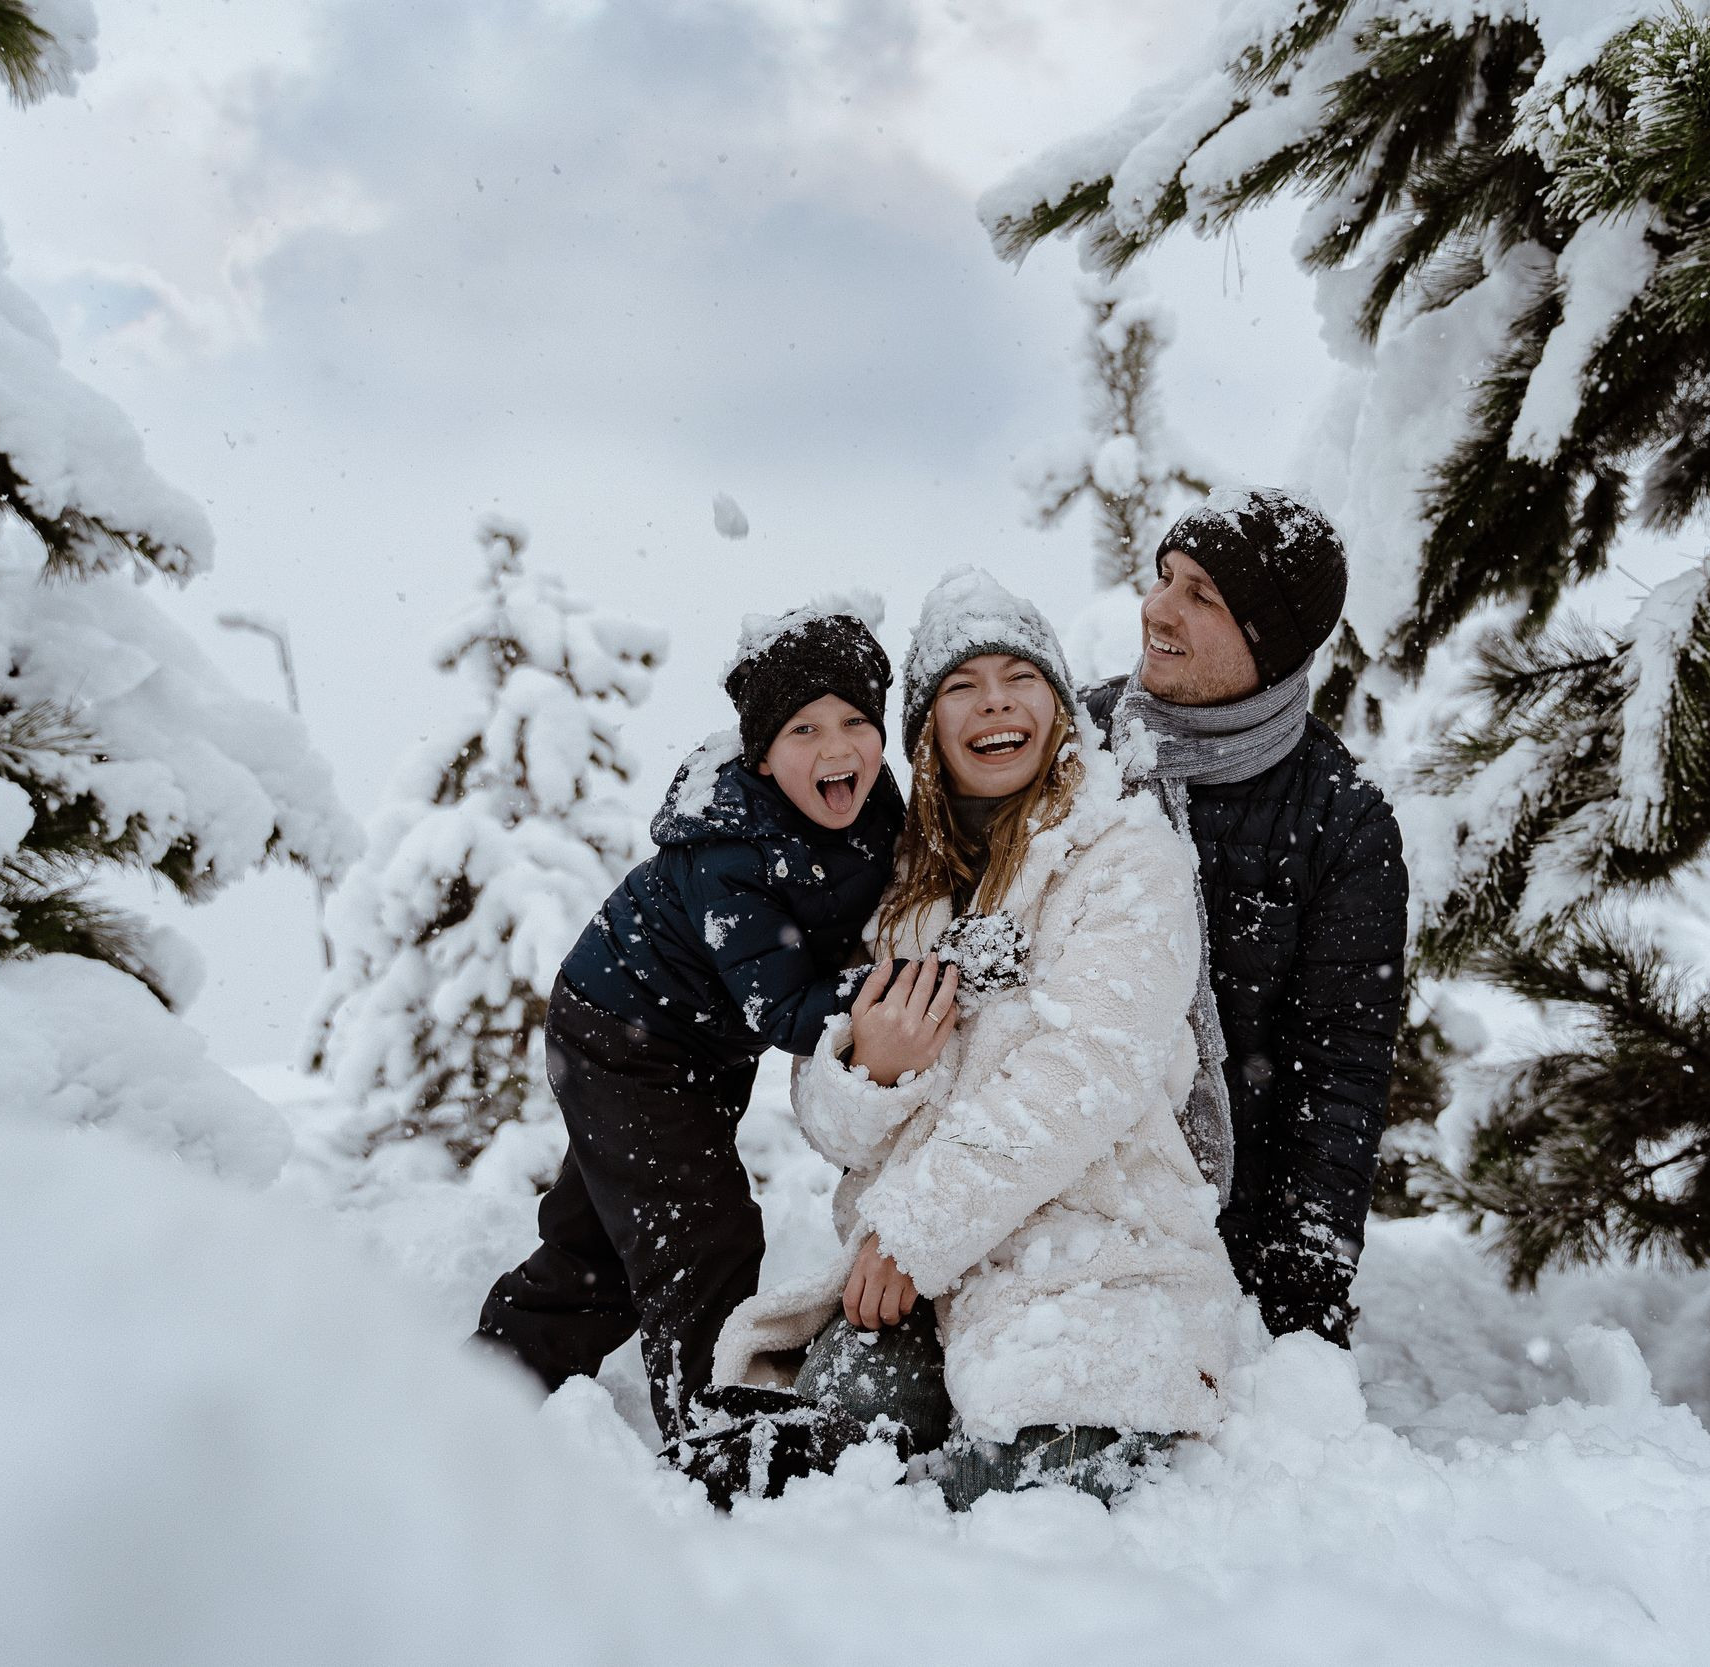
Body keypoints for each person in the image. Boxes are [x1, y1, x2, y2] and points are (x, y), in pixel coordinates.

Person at [702, 568, 1247, 1509]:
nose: (994, 702)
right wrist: (870, 1070)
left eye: (1019, 677)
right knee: (831, 1450)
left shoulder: (1126, 858)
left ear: (1059, 706)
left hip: (1094, 1254)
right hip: (922, 1282)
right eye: (962, 686)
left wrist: (916, 1230)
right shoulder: (899, 889)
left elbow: (1085, 1073)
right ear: (928, 730)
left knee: (1010, 1490)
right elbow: (826, 1119)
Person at [471, 601, 927, 1448]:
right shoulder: (730, 848)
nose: (836, 747)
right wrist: (901, 985)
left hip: (694, 1044)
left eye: (856, 722)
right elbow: (783, 1007)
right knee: (699, 1234)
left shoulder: (871, 807)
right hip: (624, 1039)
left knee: (601, 1250)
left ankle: (483, 1387)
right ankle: (712, 1430)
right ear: (762, 753)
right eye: (803, 728)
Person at [1086, 487, 1410, 1348]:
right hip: (1057, 1191)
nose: (1158, 608)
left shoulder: (1342, 821)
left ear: (1268, 645)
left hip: (1218, 1235)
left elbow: (1337, 1075)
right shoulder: (1078, 742)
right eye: (1164, 576)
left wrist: (1302, 1294)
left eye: (1202, 594)